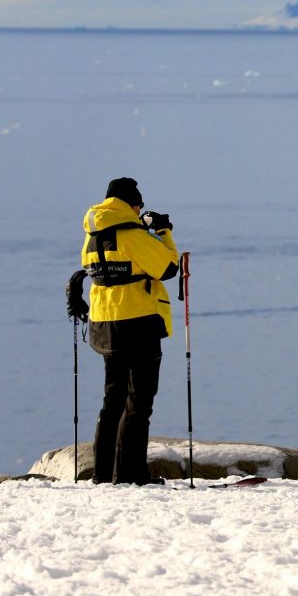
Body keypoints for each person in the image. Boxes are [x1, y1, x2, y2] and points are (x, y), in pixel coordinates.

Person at [81, 177, 179, 485]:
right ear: (131, 204)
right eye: (139, 206)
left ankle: (103, 472)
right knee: (139, 402)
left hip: (104, 323)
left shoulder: (91, 236)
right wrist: (163, 231)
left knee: (113, 400)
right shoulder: (132, 234)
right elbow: (168, 267)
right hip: (138, 322)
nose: (140, 211)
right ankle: (130, 473)